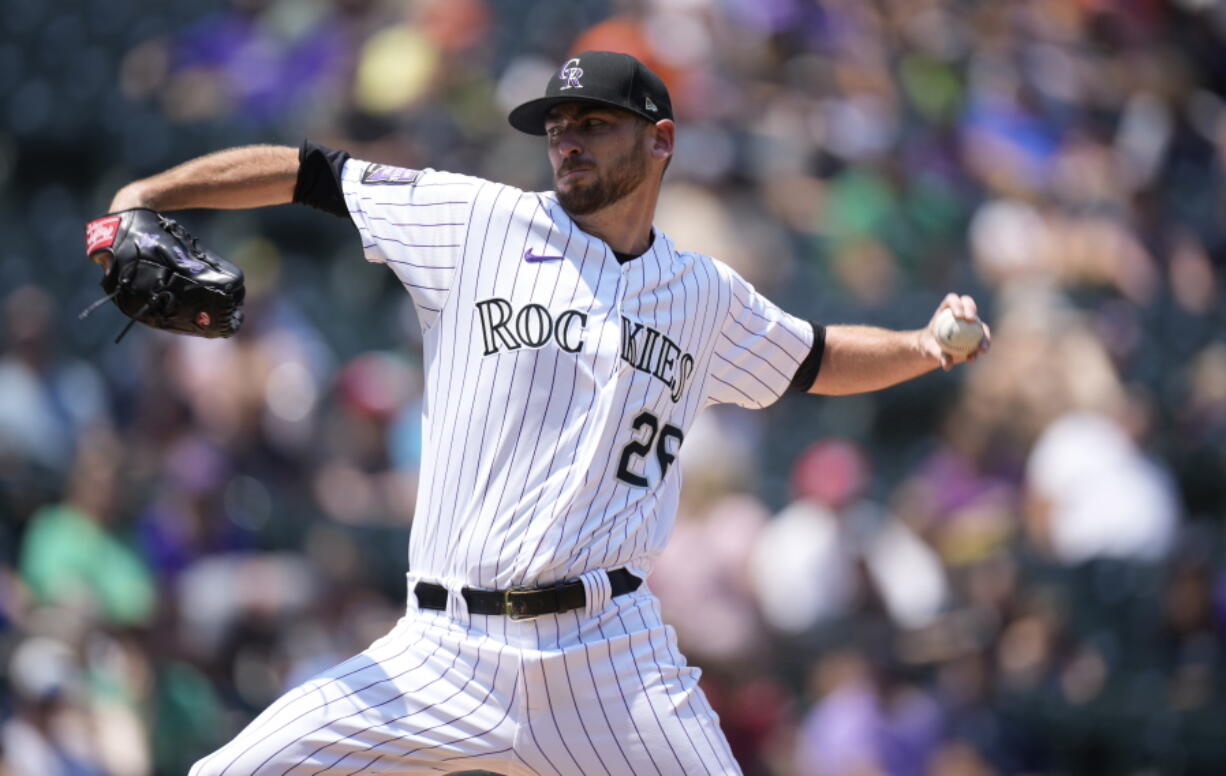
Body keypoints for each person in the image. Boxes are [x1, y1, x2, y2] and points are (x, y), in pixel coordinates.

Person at [93, 50, 988, 776]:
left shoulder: (703, 294)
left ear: (661, 140)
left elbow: (816, 359)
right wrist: (146, 198)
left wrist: (922, 346)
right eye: (557, 129)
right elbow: (309, 173)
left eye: (594, 124)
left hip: (611, 657)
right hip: (442, 648)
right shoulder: (476, 219)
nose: (567, 143)